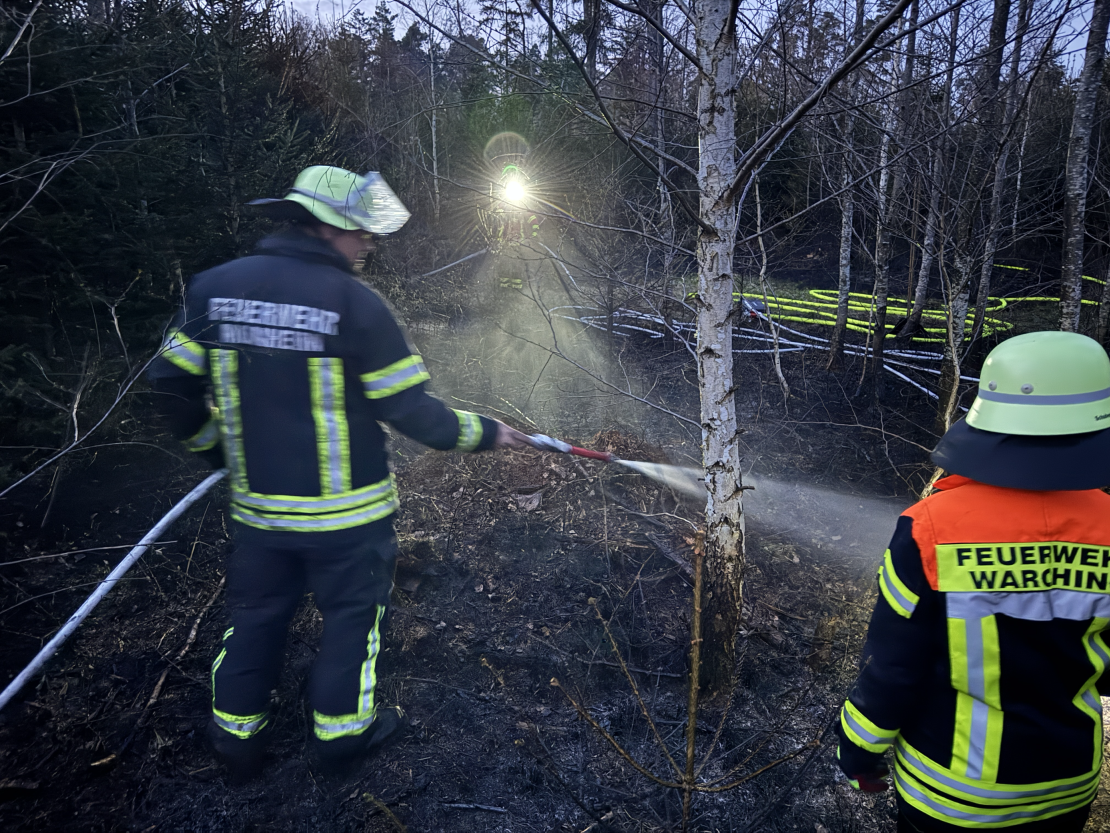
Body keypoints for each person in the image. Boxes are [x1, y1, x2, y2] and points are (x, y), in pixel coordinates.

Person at [148, 165, 531, 782]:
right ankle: (344, 737)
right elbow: (414, 414)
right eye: (360, 232)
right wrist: (489, 432)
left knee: (255, 618)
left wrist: (219, 451)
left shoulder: (214, 289)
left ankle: (237, 741)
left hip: (260, 516)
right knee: (353, 620)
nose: (368, 244)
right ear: (326, 227)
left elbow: (169, 389)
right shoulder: (354, 304)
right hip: (349, 519)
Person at [837, 330, 1110, 832]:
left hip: (953, 796)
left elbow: (893, 668)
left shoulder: (932, 528)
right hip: (1066, 788)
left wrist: (858, 750)